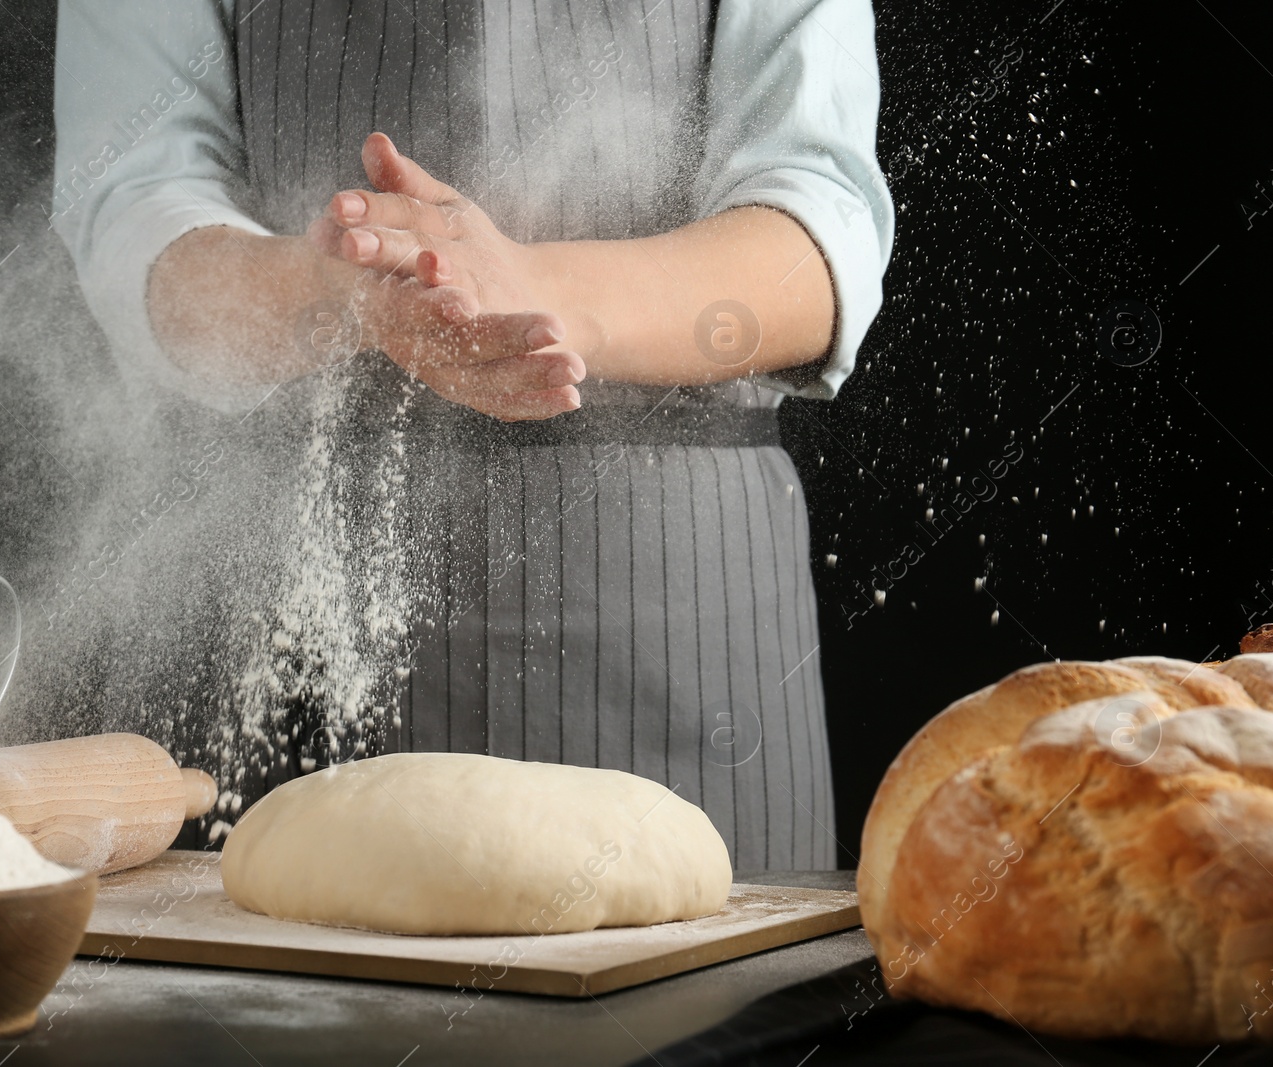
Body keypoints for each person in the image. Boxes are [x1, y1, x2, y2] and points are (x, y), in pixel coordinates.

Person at [53, 0, 893, 870]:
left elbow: (817, 227)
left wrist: (535, 288)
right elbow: (133, 200)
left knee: (709, 992)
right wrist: (347, 294)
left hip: (674, 602)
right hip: (288, 605)